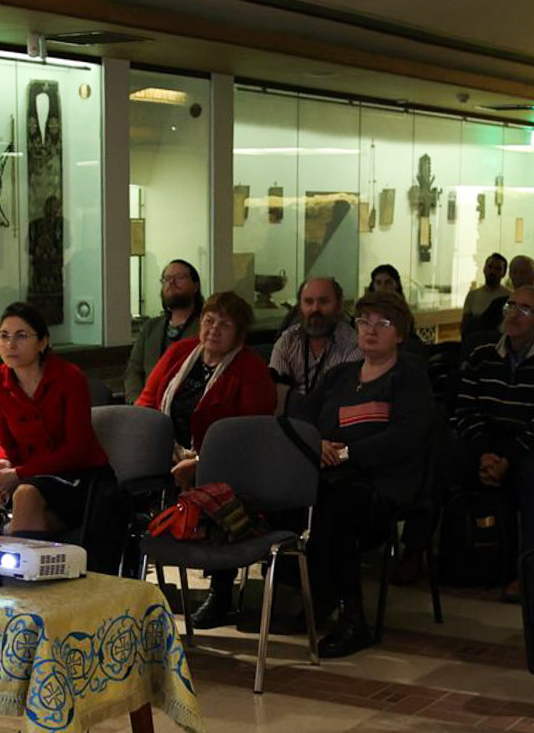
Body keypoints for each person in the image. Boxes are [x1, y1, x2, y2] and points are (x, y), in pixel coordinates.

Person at [308, 291, 435, 658]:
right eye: (364, 322)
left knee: (336, 508)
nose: (370, 330)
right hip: (330, 478)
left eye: (382, 324)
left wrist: (345, 453)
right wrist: (317, 444)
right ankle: (318, 594)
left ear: (400, 334)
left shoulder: (408, 378)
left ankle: (352, 616)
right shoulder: (338, 376)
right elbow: (303, 417)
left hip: (384, 483)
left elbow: (406, 438)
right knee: (294, 504)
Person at [136, 291, 276, 627]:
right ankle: (131, 580)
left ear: (239, 333)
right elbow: (147, 400)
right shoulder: (180, 353)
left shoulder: (250, 369)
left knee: (212, 486)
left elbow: (249, 437)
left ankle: (220, 591)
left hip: (226, 467)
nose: (214, 329)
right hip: (167, 453)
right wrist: (145, 445)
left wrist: (200, 463)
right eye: (209, 321)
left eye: (224, 324)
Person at [443, 285, 534, 592]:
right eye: (511, 306)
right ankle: (437, 553)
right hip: (487, 438)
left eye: (525, 309)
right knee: (444, 456)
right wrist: (484, 453)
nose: (514, 314)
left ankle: (531, 568)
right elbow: (465, 409)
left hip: (531, 441)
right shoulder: (482, 354)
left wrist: (507, 459)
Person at [0, 302, 108, 535]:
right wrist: (4, 463)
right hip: (33, 477)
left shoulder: (69, 377)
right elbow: (6, 443)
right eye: (4, 336)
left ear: (43, 342)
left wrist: (18, 474)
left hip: (79, 479)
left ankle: (13, 565)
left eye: (21, 336)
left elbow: (78, 449)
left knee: (25, 493)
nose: (10, 344)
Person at [270, 277, 361, 412]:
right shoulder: (287, 341)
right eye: (308, 302)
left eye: (323, 302)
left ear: (338, 306)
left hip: (332, 420)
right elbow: (275, 394)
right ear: (300, 306)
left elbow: (345, 399)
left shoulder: (353, 344)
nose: (315, 309)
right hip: (292, 420)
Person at [123, 259, 202, 397]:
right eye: (167, 279)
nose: (171, 283)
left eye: (179, 277)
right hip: (147, 407)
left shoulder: (206, 328)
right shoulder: (151, 327)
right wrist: (135, 401)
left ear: (195, 286)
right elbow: (134, 370)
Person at [460, 252, 510, 345]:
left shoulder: (509, 296)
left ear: (503, 273)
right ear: (484, 269)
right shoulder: (473, 295)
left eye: (498, 269)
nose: (492, 272)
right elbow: (465, 324)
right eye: (490, 267)